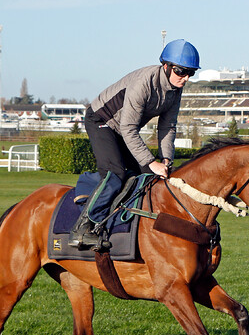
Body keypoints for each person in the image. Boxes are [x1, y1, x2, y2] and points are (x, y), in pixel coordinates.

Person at [69, 39, 200, 248]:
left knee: (147, 176)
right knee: (116, 173)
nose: (185, 78)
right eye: (181, 71)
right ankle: (83, 228)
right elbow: (128, 129)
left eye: (190, 73)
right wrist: (151, 161)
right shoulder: (143, 83)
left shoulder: (175, 89)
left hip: (122, 129)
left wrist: (166, 159)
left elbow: (168, 126)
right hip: (101, 121)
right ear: (165, 66)